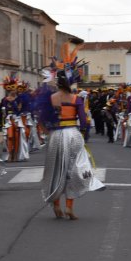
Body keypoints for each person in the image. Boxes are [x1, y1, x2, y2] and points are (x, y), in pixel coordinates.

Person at [36, 43, 105, 220]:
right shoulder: (76, 99)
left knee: (55, 170)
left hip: (55, 136)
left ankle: (56, 204)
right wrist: (84, 131)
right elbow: (83, 121)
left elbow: (43, 120)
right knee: (73, 170)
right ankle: (69, 207)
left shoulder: (51, 98)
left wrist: (47, 131)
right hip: (72, 134)